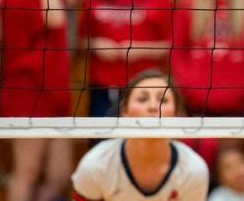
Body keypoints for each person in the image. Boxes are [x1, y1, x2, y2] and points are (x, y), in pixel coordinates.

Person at [0, 0, 73, 201]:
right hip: (27, 91)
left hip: (54, 89)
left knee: (60, 174)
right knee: (27, 171)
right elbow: (55, 18)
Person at [72, 71, 210, 201]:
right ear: (124, 112)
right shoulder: (97, 164)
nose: (153, 106)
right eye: (142, 99)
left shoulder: (193, 169)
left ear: (176, 114)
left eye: (163, 100)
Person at [81, 0, 173, 117]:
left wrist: (140, 49)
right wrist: (95, 44)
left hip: (147, 88)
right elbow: (79, 41)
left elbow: (172, 44)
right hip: (103, 86)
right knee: (104, 141)